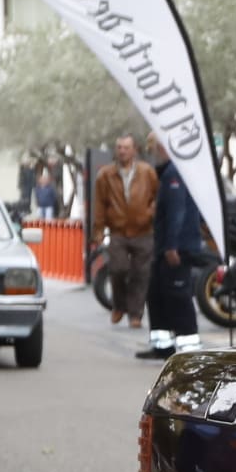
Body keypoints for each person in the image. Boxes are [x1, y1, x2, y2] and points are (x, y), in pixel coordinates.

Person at [141, 135, 210, 357]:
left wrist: (171, 246)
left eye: (153, 147)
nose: (152, 152)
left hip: (175, 248)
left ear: (163, 147)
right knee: (157, 295)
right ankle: (162, 346)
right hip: (166, 247)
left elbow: (176, 213)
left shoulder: (174, 174)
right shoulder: (170, 172)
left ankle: (190, 347)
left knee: (178, 296)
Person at [90, 133, 158, 328]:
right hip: (118, 231)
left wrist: (150, 212)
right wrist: (98, 230)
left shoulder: (147, 172)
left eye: (126, 147)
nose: (122, 151)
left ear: (134, 150)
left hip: (143, 230)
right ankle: (119, 305)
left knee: (141, 273)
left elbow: (157, 196)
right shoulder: (105, 175)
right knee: (117, 269)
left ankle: (135, 314)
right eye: (119, 147)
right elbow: (100, 205)